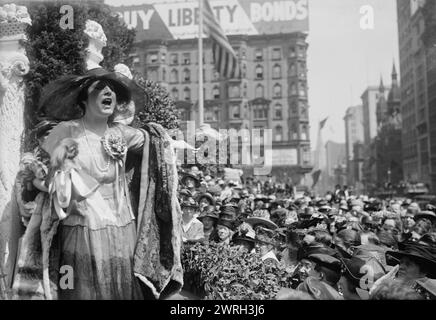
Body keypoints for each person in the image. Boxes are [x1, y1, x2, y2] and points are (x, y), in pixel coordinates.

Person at [14, 68, 183, 300]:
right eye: (100, 88)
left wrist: (180, 141)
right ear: (83, 98)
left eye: (112, 90)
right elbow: (34, 170)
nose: (108, 93)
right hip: (80, 228)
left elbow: (159, 144)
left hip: (122, 229)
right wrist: (57, 186)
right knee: (80, 291)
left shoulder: (121, 133)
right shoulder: (67, 130)